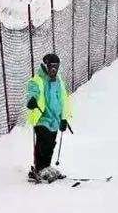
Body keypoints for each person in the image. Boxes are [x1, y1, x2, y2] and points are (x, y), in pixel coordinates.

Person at [25, 53, 73, 183]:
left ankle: (46, 166)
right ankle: (39, 168)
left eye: (56, 66)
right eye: (51, 66)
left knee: (51, 144)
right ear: (46, 66)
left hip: (54, 119)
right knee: (43, 142)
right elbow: (32, 92)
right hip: (41, 117)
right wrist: (31, 100)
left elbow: (64, 100)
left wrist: (64, 118)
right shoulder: (38, 80)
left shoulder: (59, 81)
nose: (54, 69)